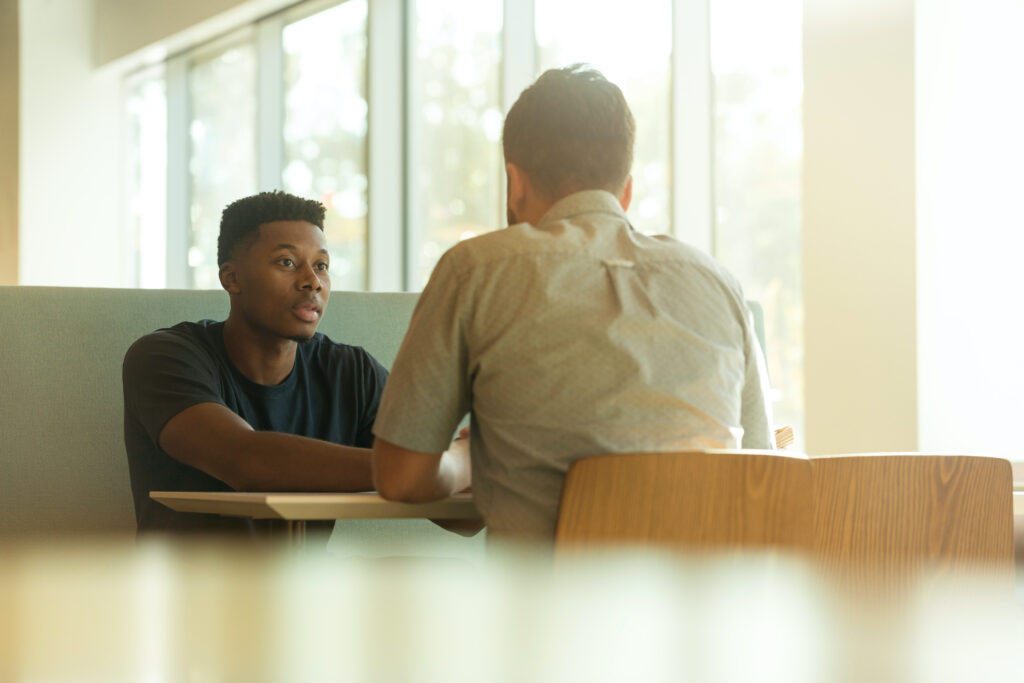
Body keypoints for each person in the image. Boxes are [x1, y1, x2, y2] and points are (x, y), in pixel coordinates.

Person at [371, 65, 775, 542]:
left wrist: (466, 460)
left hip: (548, 610)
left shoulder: (475, 270)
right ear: (625, 190)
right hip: (709, 609)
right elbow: (763, 472)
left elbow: (400, 477)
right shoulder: (718, 283)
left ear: (514, 183)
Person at [123, 191, 388, 535]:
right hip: (187, 586)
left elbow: (461, 517)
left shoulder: (352, 373)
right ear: (232, 278)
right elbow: (248, 462)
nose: (313, 281)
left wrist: (458, 465)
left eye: (321, 265)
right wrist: (423, 469)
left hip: (305, 586)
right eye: (287, 263)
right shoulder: (163, 358)